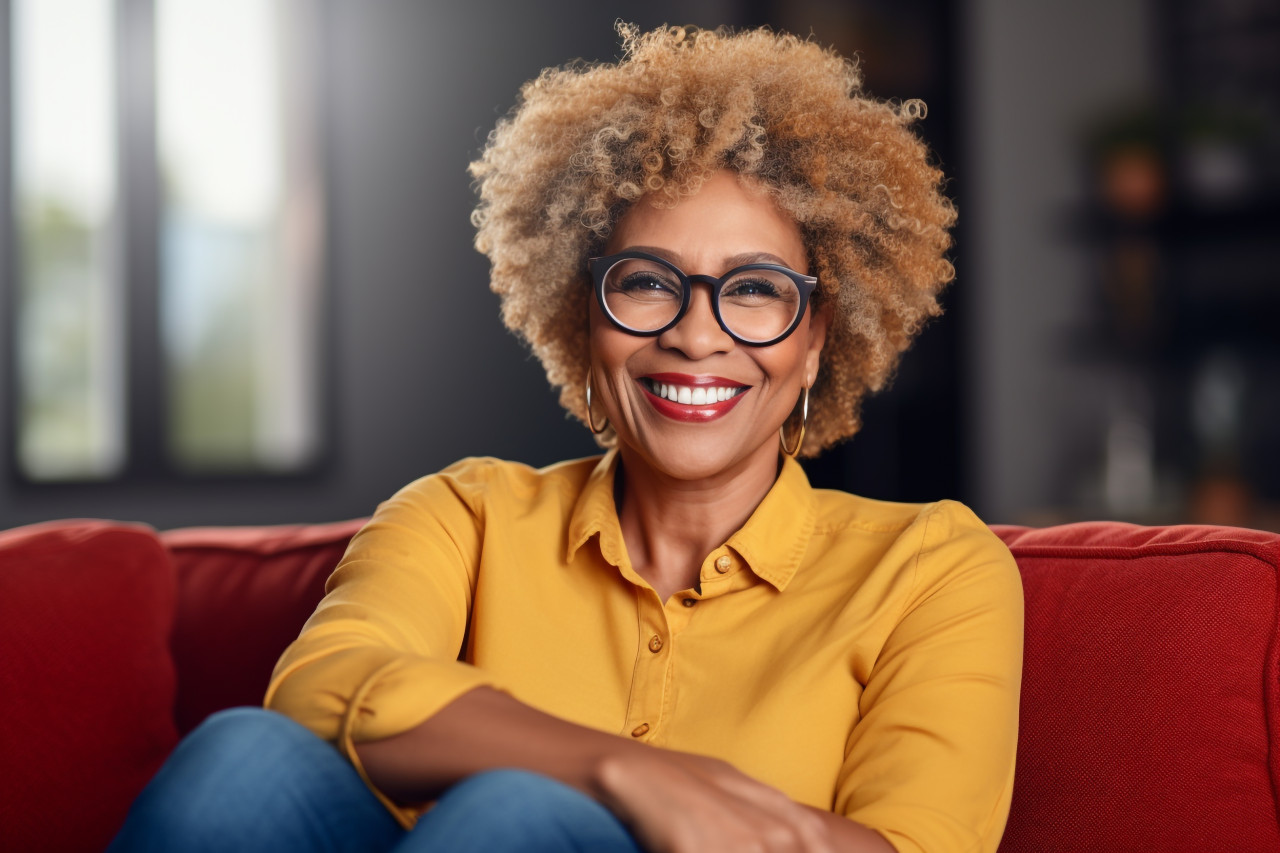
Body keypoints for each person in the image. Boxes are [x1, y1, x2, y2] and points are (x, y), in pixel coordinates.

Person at [110, 23, 1022, 853]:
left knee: (518, 813)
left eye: (754, 290)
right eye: (646, 281)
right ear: (583, 315)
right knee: (242, 756)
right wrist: (624, 772)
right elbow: (320, 686)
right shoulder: (465, 515)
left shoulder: (931, 568)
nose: (697, 336)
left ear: (816, 338)